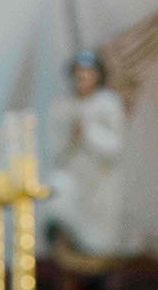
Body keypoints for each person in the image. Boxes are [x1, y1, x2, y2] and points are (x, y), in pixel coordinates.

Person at [47, 49, 129, 260]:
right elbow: (55, 149)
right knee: (59, 191)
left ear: (97, 75)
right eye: (79, 72)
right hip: (75, 175)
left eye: (88, 72)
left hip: (99, 182)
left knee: (100, 243)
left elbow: (115, 146)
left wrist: (89, 131)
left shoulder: (108, 103)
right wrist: (72, 136)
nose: (82, 78)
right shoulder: (63, 106)